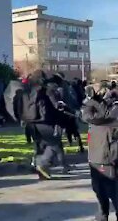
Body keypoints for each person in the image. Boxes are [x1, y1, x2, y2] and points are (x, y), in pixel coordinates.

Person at [81, 86, 118, 221]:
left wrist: (93, 100)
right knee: (100, 190)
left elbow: (94, 117)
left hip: (106, 156)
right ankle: (102, 216)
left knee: (111, 191)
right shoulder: (103, 107)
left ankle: (102, 216)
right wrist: (94, 99)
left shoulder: (112, 110)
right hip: (97, 155)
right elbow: (87, 116)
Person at [23, 70, 66, 179]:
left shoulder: (27, 90)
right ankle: (43, 163)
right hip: (45, 121)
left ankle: (41, 171)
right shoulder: (48, 89)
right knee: (54, 142)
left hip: (31, 122)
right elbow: (56, 105)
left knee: (40, 146)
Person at [49, 72, 84, 153]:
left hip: (63, 112)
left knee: (59, 131)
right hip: (69, 111)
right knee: (73, 130)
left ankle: (58, 149)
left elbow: (59, 100)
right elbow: (73, 99)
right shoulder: (67, 87)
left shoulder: (60, 88)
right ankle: (80, 145)